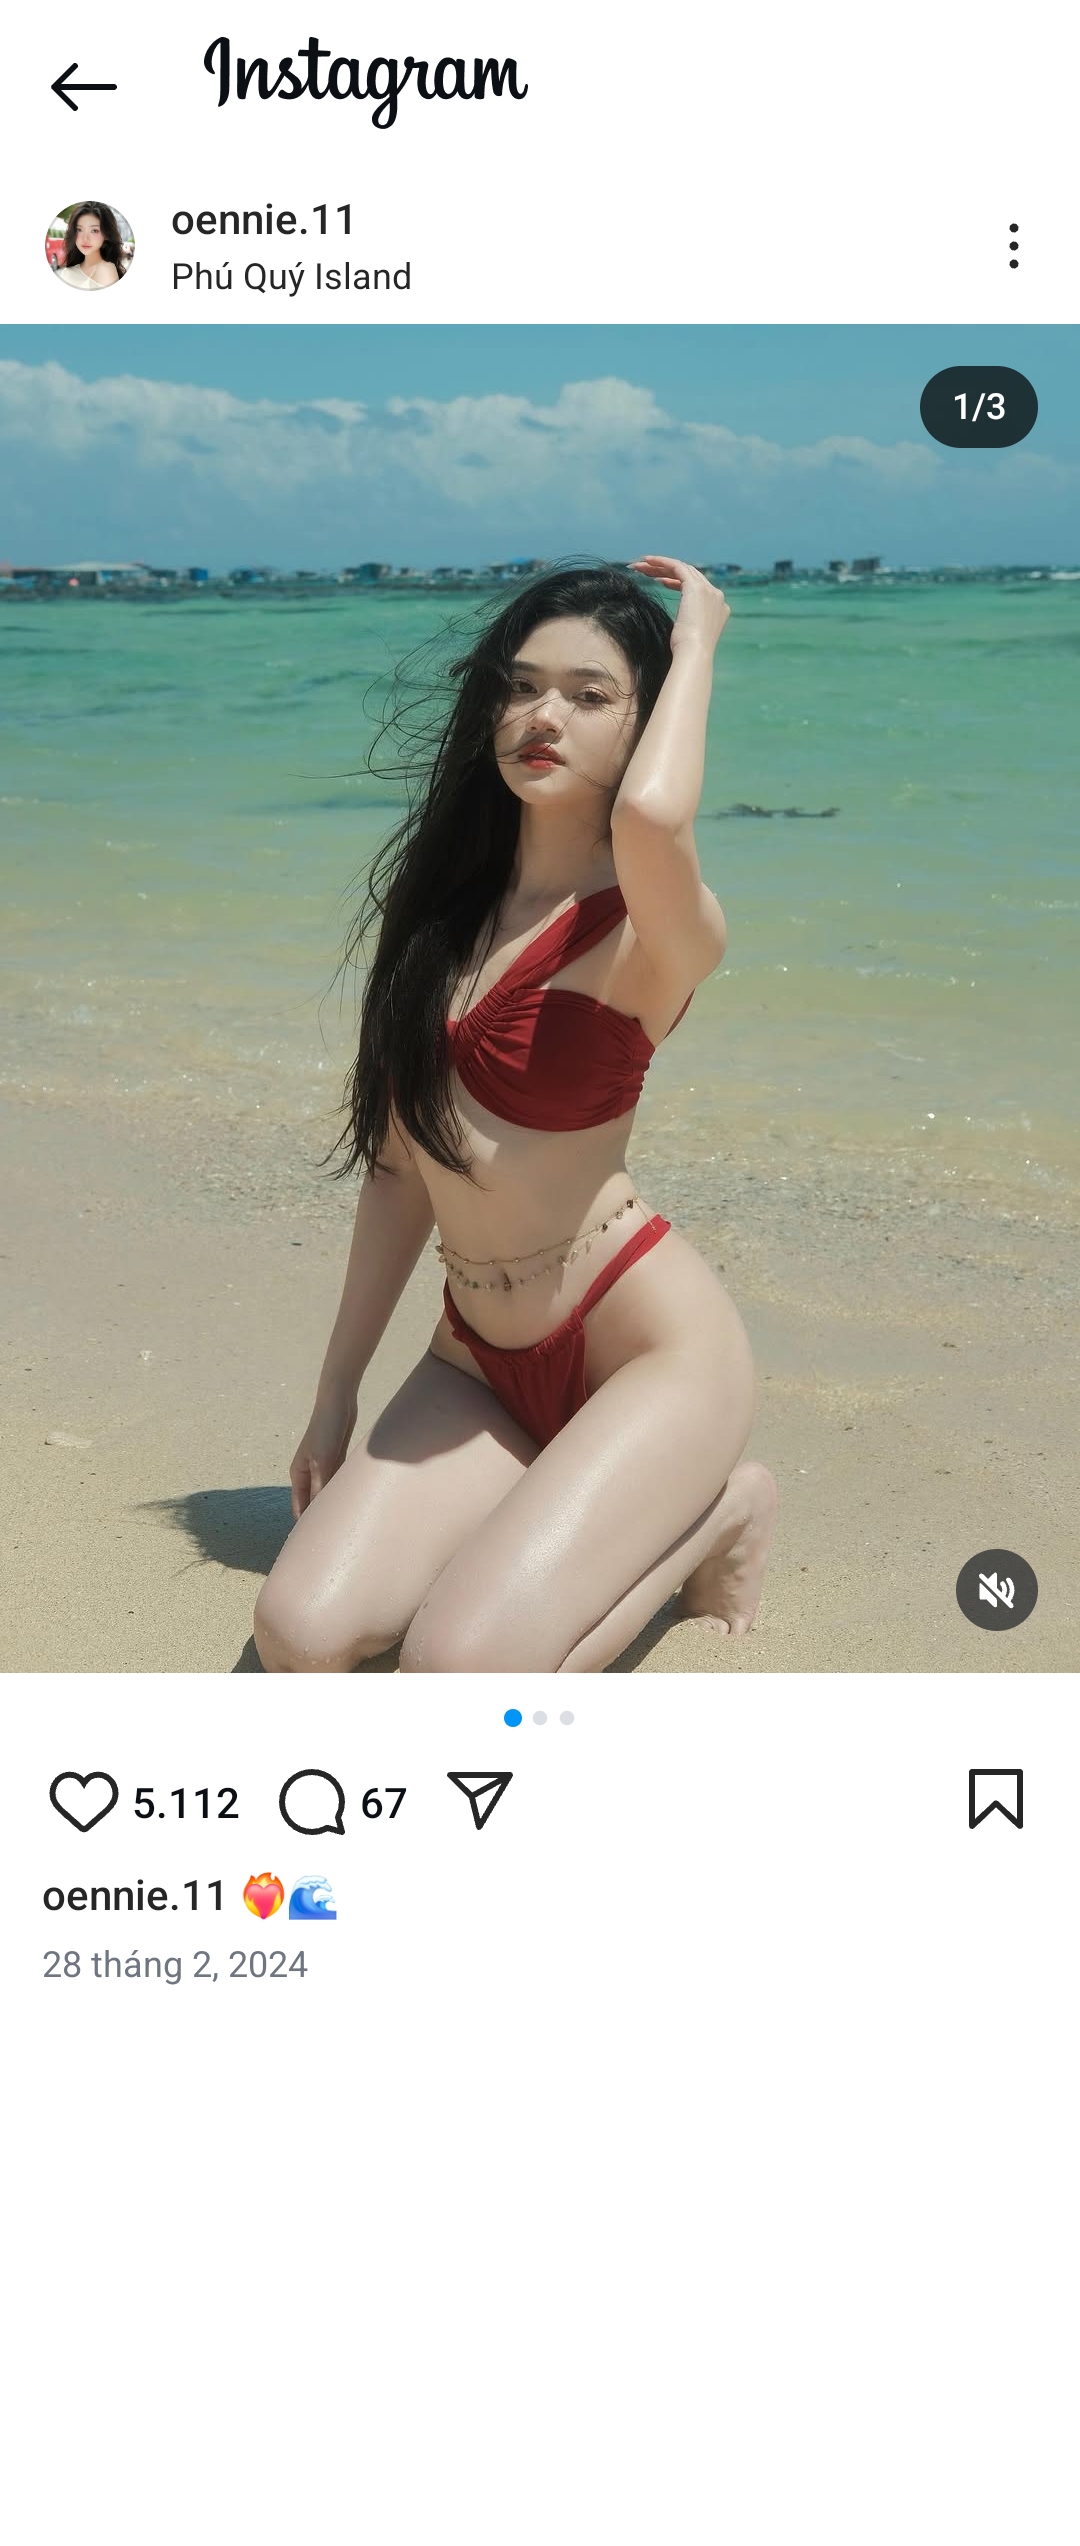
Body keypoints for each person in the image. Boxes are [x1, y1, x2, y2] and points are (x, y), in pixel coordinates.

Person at [254, 557, 777, 1674]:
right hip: (476, 1356)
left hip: (648, 1354)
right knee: (299, 1631)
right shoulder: (442, 922)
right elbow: (398, 1172)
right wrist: (335, 1392)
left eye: (591, 696)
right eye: (522, 685)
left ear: (645, 721)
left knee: (457, 1670)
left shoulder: (656, 927)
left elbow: (654, 814)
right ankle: (556, 1501)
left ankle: (718, 1511)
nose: (544, 716)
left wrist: (696, 642)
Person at [56, 203, 124, 290]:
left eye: (94, 231)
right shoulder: (67, 272)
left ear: (107, 235)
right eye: (79, 230)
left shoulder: (105, 270)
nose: (85, 238)